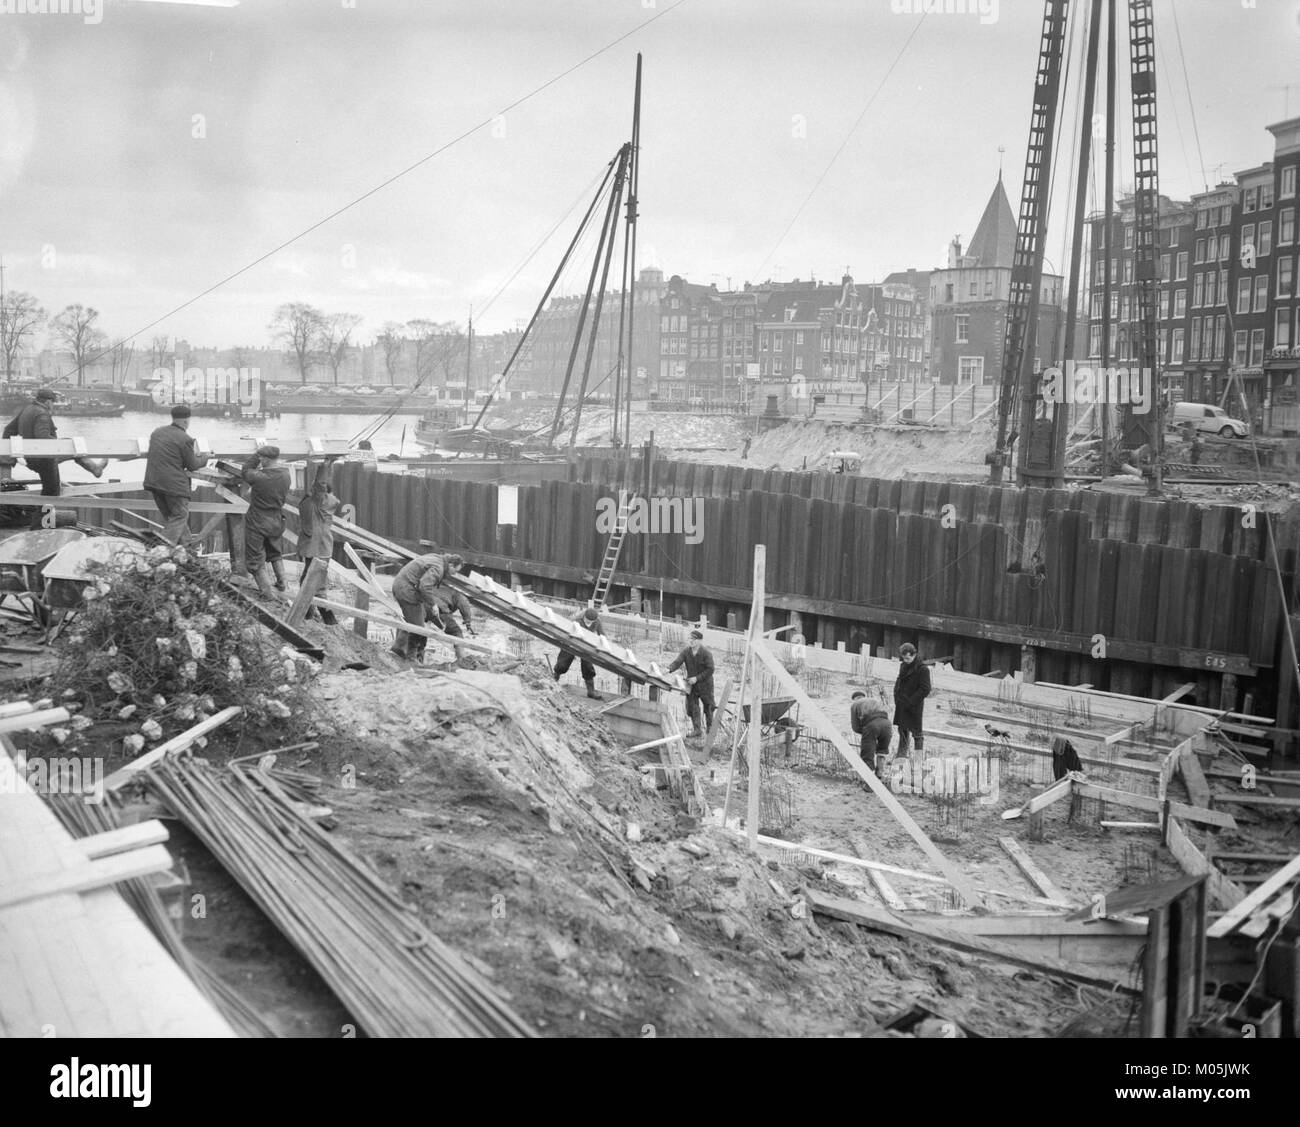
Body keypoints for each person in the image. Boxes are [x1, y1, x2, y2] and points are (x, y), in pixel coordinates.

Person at [2, 389, 106, 529]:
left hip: (31, 458)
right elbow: (43, 439)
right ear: (48, 401)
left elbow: (8, 431)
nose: (53, 406)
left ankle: (94, 468)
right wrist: (59, 446)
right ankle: (39, 526)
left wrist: (8, 458)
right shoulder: (42, 414)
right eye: (53, 403)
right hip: (45, 459)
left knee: (69, 448)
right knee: (52, 492)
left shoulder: (26, 410)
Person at [143, 404, 208, 545]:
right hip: (174, 486)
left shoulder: (157, 432)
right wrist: (206, 457)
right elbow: (192, 465)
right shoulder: (185, 438)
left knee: (175, 520)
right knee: (179, 516)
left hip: (153, 483)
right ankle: (162, 550)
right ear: (186, 421)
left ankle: (188, 551)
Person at [390, 552, 464, 661]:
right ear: (451, 565)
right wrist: (433, 604)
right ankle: (410, 657)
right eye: (455, 571)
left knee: (416, 620)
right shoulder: (439, 568)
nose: (454, 574)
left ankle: (400, 648)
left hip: (404, 586)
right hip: (406, 590)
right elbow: (425, 586)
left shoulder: (436, 557)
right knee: (419, 628)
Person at [241, 445, 292, 601]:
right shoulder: (286, 475)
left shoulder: (259, 477)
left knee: (255, 559)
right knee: (275, 553)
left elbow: (245, 470)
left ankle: (267, 593)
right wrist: (260, 455)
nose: (260, 460)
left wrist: (255, 456)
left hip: (258, 521)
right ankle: (283, 583)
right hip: (276, 520)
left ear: (267, 459)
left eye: (262, 457)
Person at [297, 454, 342, 624]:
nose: (311, 488)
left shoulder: (320, 501)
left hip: (317, 548)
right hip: (317, 546)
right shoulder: (319, 502)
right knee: (308, 580)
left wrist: (325, 465)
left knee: (316, 584)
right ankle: (308, 614)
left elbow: (320, 484)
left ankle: (327, 620)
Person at [667, 628, 716, 738]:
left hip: (705, 685)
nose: (691, 641)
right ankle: (697, 730)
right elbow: (677, 662)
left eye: (694, 639)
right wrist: (668, 669)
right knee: (693, 707)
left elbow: (711, 669)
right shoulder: (686, 651)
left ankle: (710, 729)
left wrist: (697, 678)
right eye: (690, 639)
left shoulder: (706, 653)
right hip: (692, 685)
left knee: (708, 707)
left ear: (700, 641)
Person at [553, 606, 602, 699]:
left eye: (591, 622)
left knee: (588, 667)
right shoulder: (577, 620)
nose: (589, 623)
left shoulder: (597, 622)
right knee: (562, 664)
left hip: (586, 645)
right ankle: (554, 679)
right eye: (587, 620)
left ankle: (591, 691)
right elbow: (568, 632)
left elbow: (602, 635)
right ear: (584, 617)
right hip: (572, 641)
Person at [893, 642, 931, 756]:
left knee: (917, 732)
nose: (906, 660)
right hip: (901, 703)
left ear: (914, 655)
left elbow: (925, 689)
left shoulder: (923, 669)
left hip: (914, 705)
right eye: (904, 658)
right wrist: (896, 695)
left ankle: (918, 757)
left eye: (908, 658)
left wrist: (911, 702)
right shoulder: (903, 665)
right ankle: (901, 755)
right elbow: (899, 680)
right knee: (902, 730)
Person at [429, 586, 475, 665]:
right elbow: (464, 604)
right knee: (456, 632)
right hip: (439, 608)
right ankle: (462, 658)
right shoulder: (459, 595)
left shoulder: (446, 589)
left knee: (420, 631)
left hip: (426, 604)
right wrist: (468, 622)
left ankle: (416, 657)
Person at [850, 689, 892, 771]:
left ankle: (868, 775)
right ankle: (880, 774)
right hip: (887, 724)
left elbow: (855, 727)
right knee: (882, 751)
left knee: (867, 754)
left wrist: (866, 733)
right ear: (863, 696)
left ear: (855, 699)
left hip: (871, 725)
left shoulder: (855, 704)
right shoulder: (875, 700)